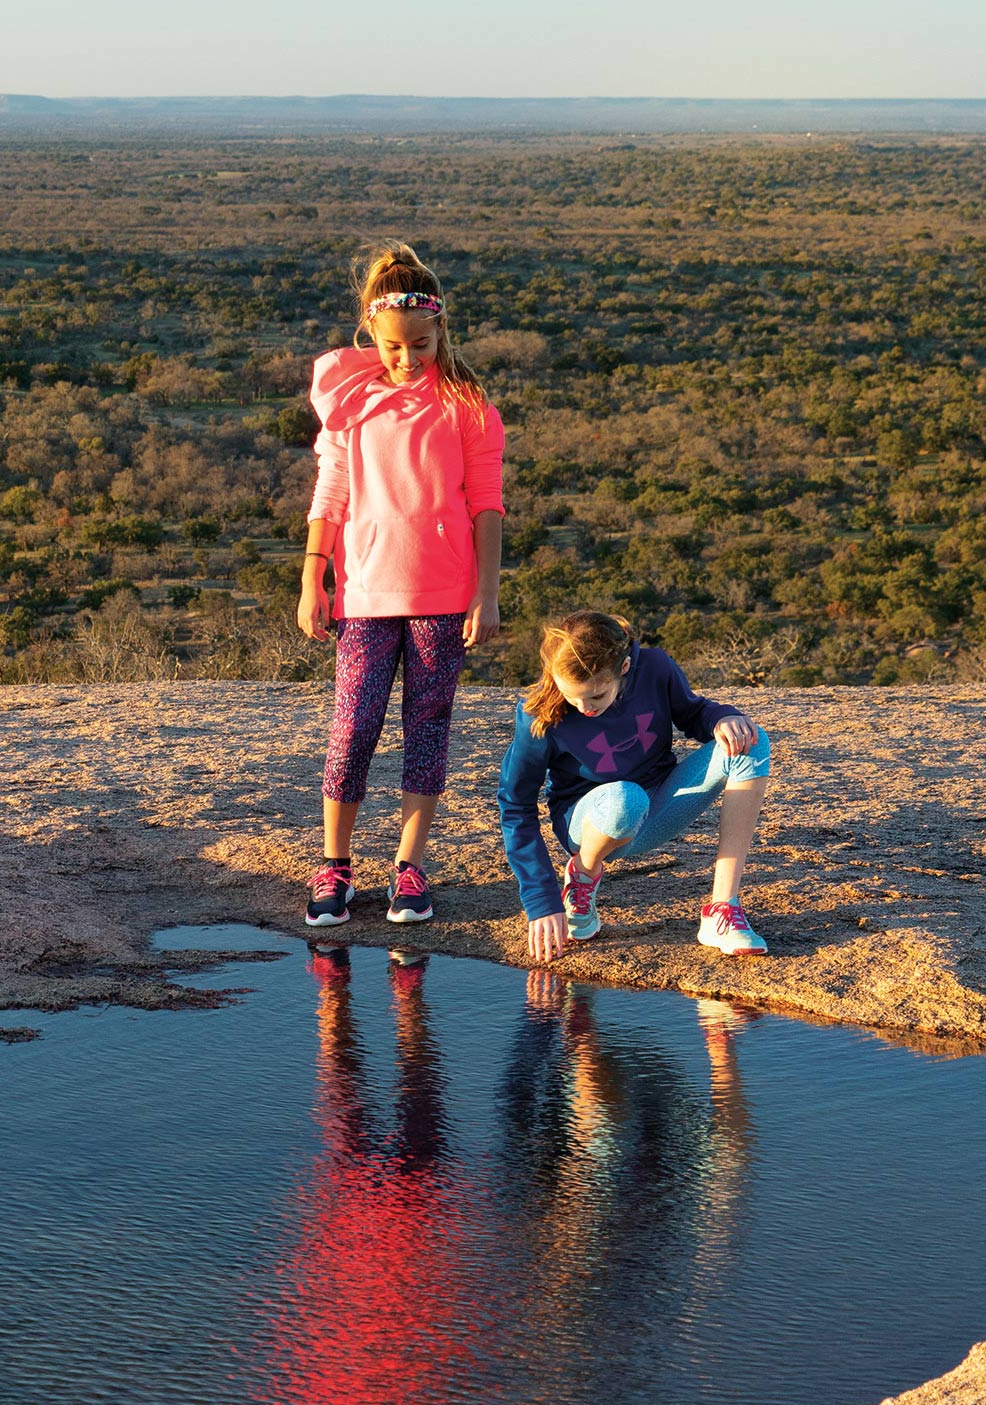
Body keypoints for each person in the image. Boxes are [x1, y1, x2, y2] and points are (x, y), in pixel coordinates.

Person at [297, 243, 505, 929]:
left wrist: (487, 592)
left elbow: (486, 504)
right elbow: (330, 492)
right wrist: (312, 579)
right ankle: (335, 866)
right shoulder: (349, 398)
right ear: (371, 334)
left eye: (420, 344)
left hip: (444, 596)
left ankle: (410, 869)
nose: (406, 359)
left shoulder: (467, 404)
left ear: (442, 331)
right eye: (392, 346)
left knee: (427, 731)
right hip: (364, 592)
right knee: (353, 729)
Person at [497, 611, 771, 959]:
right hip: (592, 822)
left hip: (659, 802)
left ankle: (722, 911)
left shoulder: (655, 667)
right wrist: (540, 899)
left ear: (624, 668)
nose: (583, 708)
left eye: (596, 697)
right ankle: (582, 874)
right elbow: (515, 804)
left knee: (752, 740)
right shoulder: (539, 713)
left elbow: (693, 713)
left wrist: (722, 718)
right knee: (625, 800)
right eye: (572, 697)